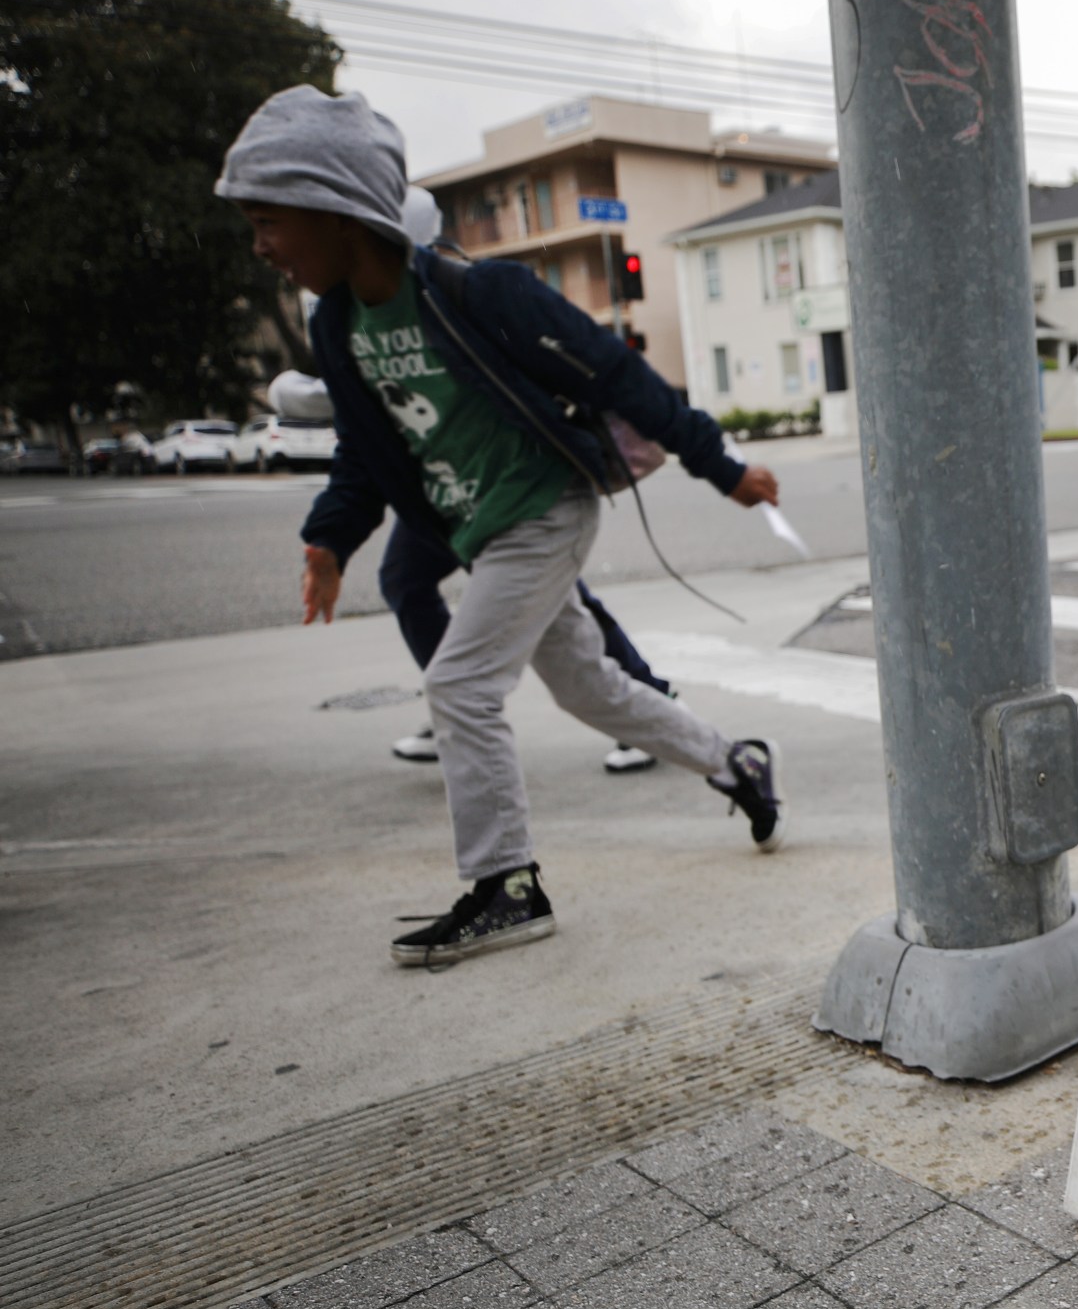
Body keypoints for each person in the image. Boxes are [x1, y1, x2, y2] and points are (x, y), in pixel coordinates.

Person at [219, 85, 787, 967]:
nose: (261, 244)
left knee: (459, 684)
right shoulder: (339, 326)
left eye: (269, 220)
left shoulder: (475, 292)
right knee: (588, 689)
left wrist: (721, 468)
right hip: (480, 530)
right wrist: (330, 537)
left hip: (545, 508)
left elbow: (619, 378)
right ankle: (735, 763)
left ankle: (506, 887)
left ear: (335, 209)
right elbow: (368, 452)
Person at [275, 362, 664, 773]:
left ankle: (651, 700)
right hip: (433, 490)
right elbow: (353, 444)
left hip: (492, 479)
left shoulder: (424, 305)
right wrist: (329, 538)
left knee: (559, 601)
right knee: (405, 580)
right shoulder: (342, 320)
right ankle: (457, 715)